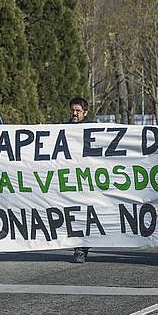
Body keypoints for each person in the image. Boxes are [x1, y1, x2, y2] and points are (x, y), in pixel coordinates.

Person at [66, 97, 95, 263]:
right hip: (69, 179)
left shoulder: (93, 129)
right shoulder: (63, 128)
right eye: (72, 110)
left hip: (88, 179)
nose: (74, 113)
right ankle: (79, 247)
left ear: (85, 112)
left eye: (78, 111)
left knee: (86, 213)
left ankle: (82, 247)